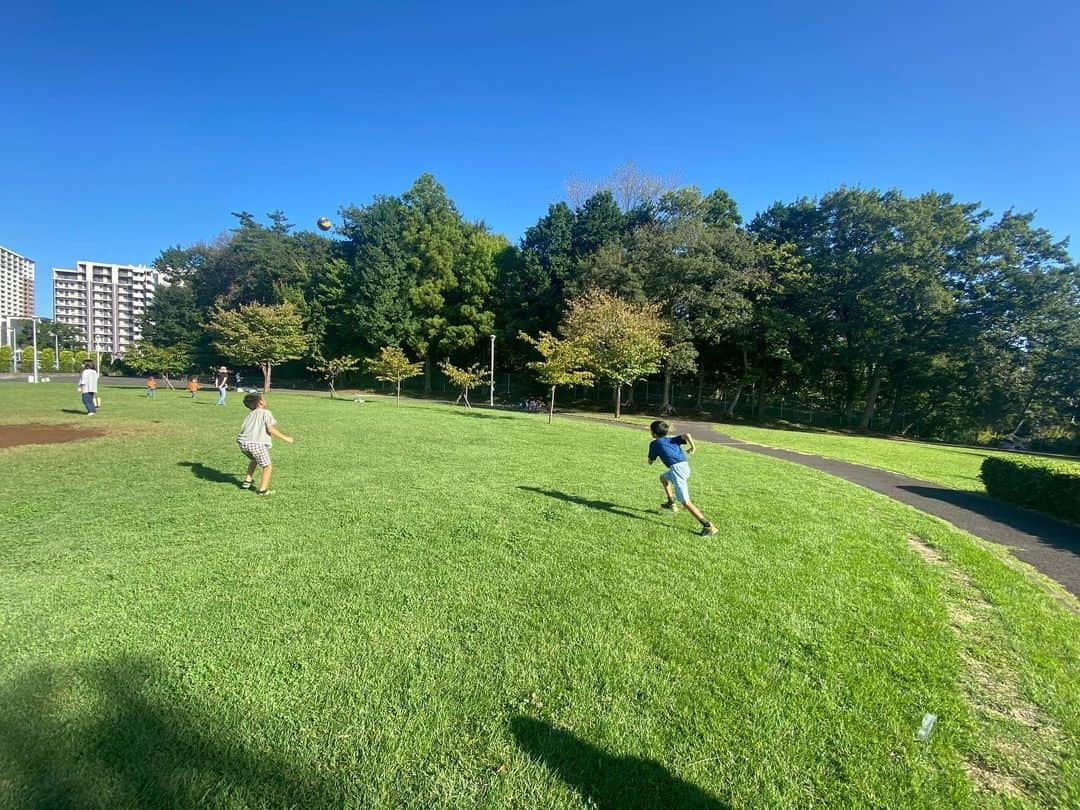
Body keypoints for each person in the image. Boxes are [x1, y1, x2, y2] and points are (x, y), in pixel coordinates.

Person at [648, 420, 718, 537]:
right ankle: (671, 503)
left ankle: (708, 526)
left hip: (677, 470)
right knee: (663, 478)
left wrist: (651, 459)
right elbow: (687, 435)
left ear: (654, 433)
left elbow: (650, 461)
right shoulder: (671, 439)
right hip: (685, 466)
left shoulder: (654, 444)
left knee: (685, 501)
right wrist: (693, 448)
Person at [237, 392, 294, 496]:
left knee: (254, 459)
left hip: (243, 443)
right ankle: (262, 490)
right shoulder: (266, 412)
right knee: (267, 466)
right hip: (256, 444)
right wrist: (286, 438)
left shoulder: (250, 414)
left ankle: (247, 481)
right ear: (260, 402)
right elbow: (270, 428)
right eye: (263, 398)